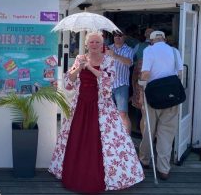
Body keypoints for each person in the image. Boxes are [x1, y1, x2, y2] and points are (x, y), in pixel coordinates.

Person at [49, 32, 144, 193]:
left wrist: (91, 68)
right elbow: (68, 82)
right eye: (91, 42)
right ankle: (73, 171)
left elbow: (108, 83)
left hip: (102, 106)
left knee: (104, 140)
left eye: (97, 42)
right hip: (80, 105)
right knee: (76, 136)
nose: (94, 45)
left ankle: (110, 176)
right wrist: (79, 67)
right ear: (86, 44)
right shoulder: (80, 58)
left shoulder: (108, 60)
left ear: (102, 45)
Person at [139, 30, 183, 180]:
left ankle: (144, 160)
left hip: (153, 96)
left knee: (149, 129)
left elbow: (145, 74)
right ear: (164, 39)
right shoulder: (174, 51)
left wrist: (140, 89)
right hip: (171, 96)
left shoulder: (148, 50)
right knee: (167, 133)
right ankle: (163, 169)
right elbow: (180, 74)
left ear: (151, 41)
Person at [107, 31, 134, 134]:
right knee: (108, 113)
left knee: (122, 113)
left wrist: (115, 55)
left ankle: (128, 143)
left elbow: (129, 63)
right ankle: (110, 139)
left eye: (120, 35)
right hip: (108, 85)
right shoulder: (108, 48)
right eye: (115, 35)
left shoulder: (129, 49)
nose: (117, 37)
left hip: (121, 85)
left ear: (125, 37)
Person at [131, 28, 154, 133]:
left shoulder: (139, 46)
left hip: (144, 79)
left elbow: (132, 59)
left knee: (142, 108)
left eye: (150, 32)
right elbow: (131, 59)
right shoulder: (139, 45)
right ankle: (142, 131)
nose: (148, 34)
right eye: (148, 32)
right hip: (143, 79)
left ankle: (141, 130)